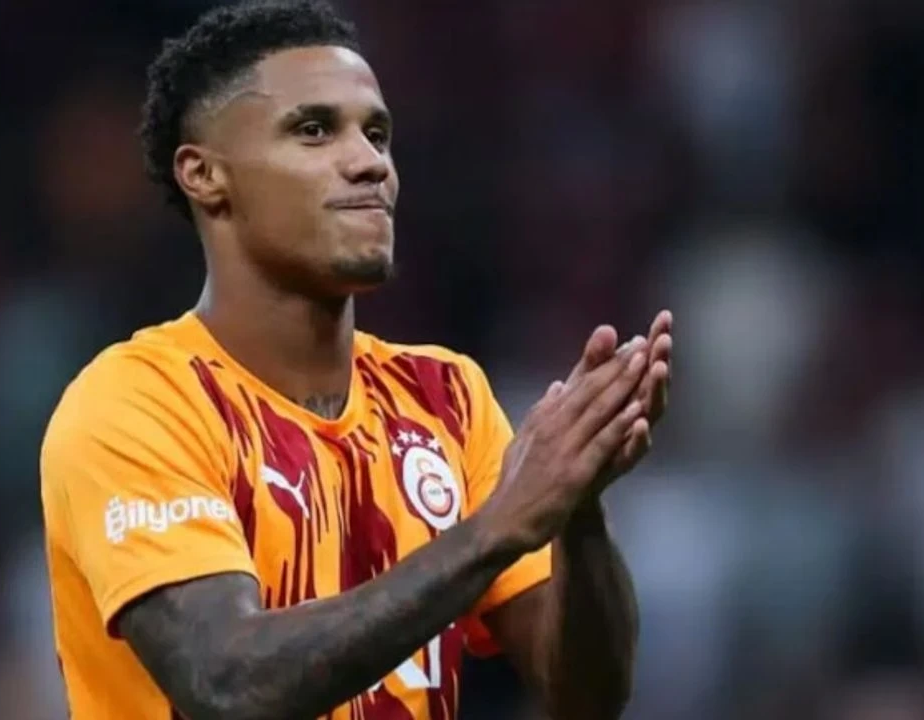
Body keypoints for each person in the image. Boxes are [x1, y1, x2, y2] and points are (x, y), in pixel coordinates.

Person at [39, 1, 674, 718]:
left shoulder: (446, 397)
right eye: (314, 130)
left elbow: (584, 698)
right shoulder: (136, 403)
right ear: (204, 174)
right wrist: (494, 530)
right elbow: (226, 684)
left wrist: (577, 508)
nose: (370, 162)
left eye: (377, 134)